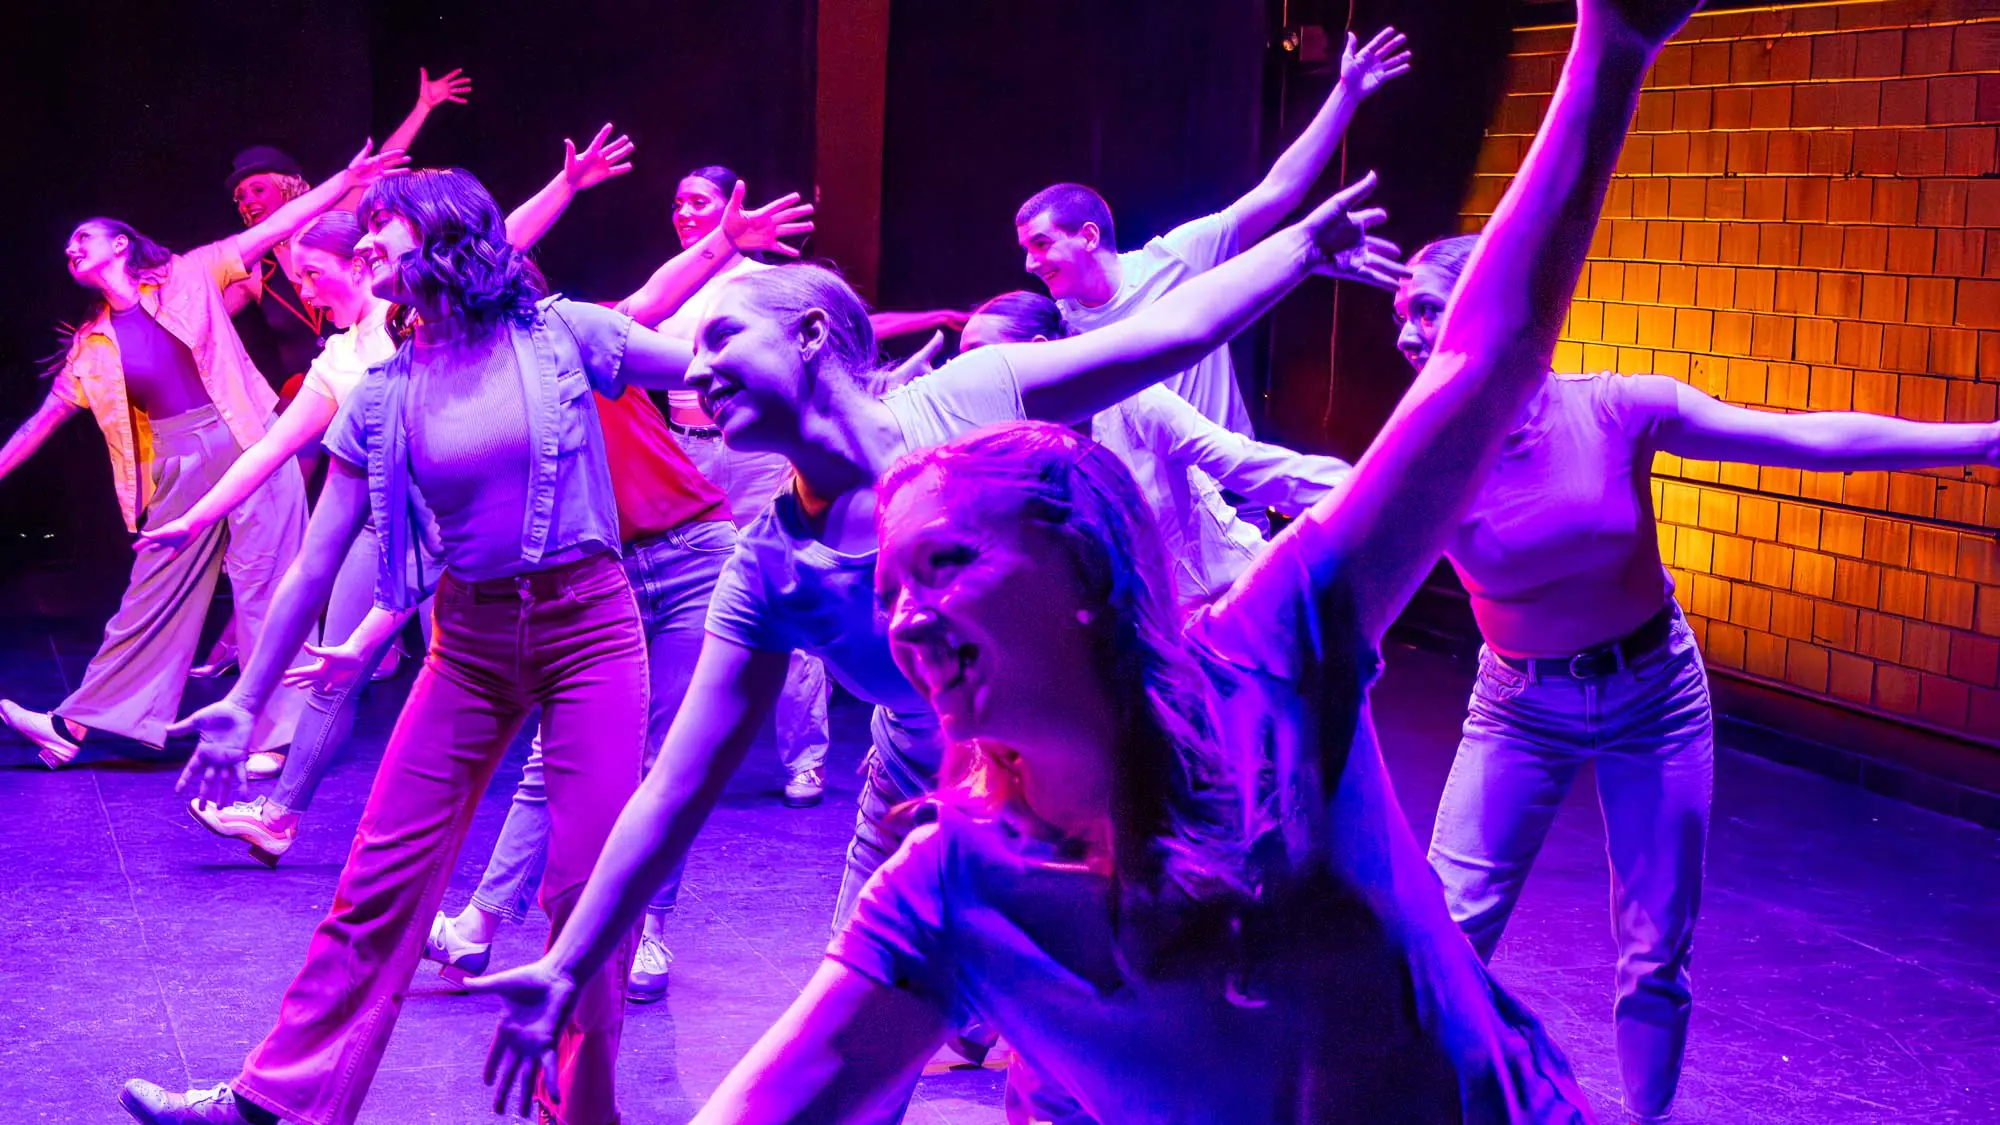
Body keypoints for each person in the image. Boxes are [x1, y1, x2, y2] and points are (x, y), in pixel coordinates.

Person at [472, 0, 1702, 1117]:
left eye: (942, 565)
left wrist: (1609, 49)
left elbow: (1450, 368)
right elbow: (690, 831)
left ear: (1074, 570)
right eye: (890, 583)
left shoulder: (1265, 651)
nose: (902, 611)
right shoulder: (948, 868)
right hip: (940, 775)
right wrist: (578, 976)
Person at [115, 165, 790, 1125]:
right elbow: (314, 562)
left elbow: (701, 371)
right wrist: (244, 695)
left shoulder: (563, 334)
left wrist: (793, 350)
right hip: (467, 644)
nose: (366, 247)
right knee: (376, 885)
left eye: (382, 228)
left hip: (590, 627)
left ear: (441, 238)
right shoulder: (383, 390)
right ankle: (277, 1103)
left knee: (585, 894)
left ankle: (581, 1109)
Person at [1397, 240, 2000, 1121]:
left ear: (1502, 310)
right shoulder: (1418, 456)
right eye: (1398, 315)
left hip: (1655, 699)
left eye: (1425, 309)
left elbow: (1805, 438)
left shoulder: (1613, 410)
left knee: (1654, 955)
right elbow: (1334, 561)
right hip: (1518, 710)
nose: (1407, 336)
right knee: (1445, 938)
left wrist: (1985, 440)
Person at [145, 127, 648, 834]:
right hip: (404, 538)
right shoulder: (353, 370)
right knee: (341, 664)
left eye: (314, 270)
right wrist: (201, 516)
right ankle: (284, 812)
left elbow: (494, 239)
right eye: (296, 278)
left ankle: (303, 817)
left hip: (485, 546)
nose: (304, 285)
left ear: (357, 262)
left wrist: (564, 186)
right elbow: (272, 450)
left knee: (566, 775)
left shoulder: (427, 312)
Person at [0, 141, 407, 771]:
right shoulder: (92, 345)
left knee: (269, 582)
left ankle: (278, 735)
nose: (71, 248)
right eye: (67, 246)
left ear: (120, 246)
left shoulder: (191, 274)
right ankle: (74, 725)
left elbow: (277, 226)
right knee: (149, 595)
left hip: (249, 437)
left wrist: (347, 179)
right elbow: (39, 424)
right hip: (177, 467)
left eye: (84, 238)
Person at [644, 163, 969, 809]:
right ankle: (668, 755)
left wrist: (930, 314)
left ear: (730, 207)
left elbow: (852, 326)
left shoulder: (755, 287)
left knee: (795, 592)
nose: (684, 212)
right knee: (704, 602)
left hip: (758, 458)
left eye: (699, 200)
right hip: (691, 453)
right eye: (677, 201)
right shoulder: (676, 288)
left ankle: (806, 760)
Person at [1017, 26, 1409, 439]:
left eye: (1041, 244)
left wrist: (1346, 95)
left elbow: (1279, 191)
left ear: (1089, 237)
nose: (1030, 263)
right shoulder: (1057, 329)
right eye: (1026, 249)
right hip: (1136, 503)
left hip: (1231, 492)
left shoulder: (1178, 257)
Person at [960, 290, 1352, 604]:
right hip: (1149, 629)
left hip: (1225, 596)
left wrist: (1368, 488)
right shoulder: (1009, 440)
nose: (961, 374)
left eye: (977, 355)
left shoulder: (1129, 399)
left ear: (1035, 349)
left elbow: (1241, 461)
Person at [224, 67, 473, 397]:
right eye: (240, 196)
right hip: (312, 396)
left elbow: (381, 166)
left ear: (285, 188)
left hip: (377, 369)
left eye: (257, 189)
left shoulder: (331, 224)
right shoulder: (254, 273)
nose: (247, 201)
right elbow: (198, 310)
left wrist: (423, 107)